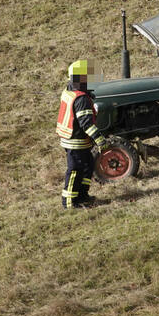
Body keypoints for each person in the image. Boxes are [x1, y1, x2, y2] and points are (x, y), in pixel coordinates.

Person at [56, 59, 106, 209]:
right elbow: (86, 124)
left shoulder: (70, 90)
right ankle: (69, 202)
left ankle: (83, 196)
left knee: (87, 166)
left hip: (74, 138)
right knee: (75, 170)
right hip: (75, 140)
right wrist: (100, 140)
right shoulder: (81, 99)